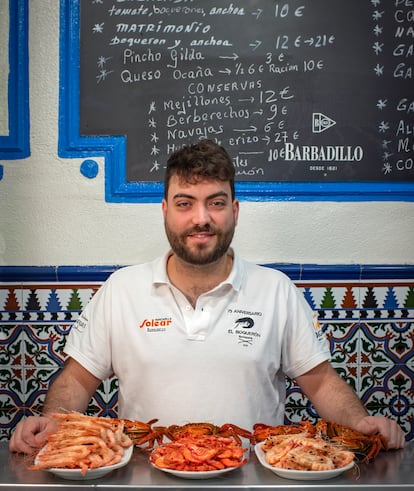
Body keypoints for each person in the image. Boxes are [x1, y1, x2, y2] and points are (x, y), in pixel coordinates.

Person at [9, 139, 405, 454]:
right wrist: (53, 422)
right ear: (165, 210)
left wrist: (360, 423)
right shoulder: (121, 290)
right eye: (185, 203)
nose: (202, 218)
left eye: (216, 203)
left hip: (253, 479)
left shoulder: (276, 289)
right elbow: (77, 380)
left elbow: (319, 383)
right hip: (148, 478)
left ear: (235, 210)